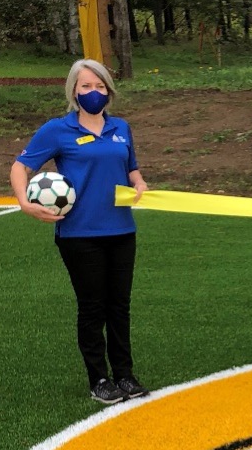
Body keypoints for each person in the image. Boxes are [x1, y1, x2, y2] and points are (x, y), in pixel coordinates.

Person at [10, 58, 150, 405]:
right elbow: (20, 166)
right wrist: (25, 204)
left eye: (100, 86)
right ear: (74, 90)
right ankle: (99, 379)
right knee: (93, 307)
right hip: (79, 234)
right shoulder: (58, 130)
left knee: (119, 305)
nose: (93, 92)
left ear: (109, 91)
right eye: (86, 86)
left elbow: (131, 168)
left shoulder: (121, 127)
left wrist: (139, 181)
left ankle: (125, 375)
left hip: (121, 230)